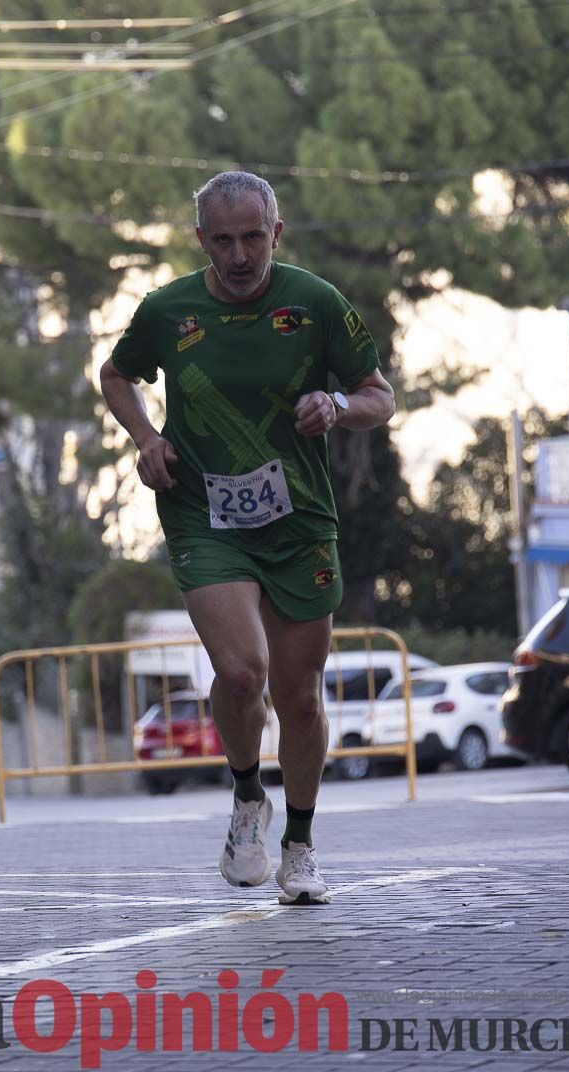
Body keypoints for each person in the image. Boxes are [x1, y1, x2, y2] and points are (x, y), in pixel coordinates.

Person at [100, 171, 395, 904]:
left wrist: (335, 403)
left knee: (298, 697)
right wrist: (146, 438)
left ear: (276, 231)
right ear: (201, 240)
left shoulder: (315, 301)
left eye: (252, 237)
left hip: (298, 519)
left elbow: (378, 394)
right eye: (223, 240)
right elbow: (116, 374)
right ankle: (244, 796)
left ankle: (298, 845)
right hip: (205, 512)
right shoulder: (168, 310)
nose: (239, 255)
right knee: (241, 674)